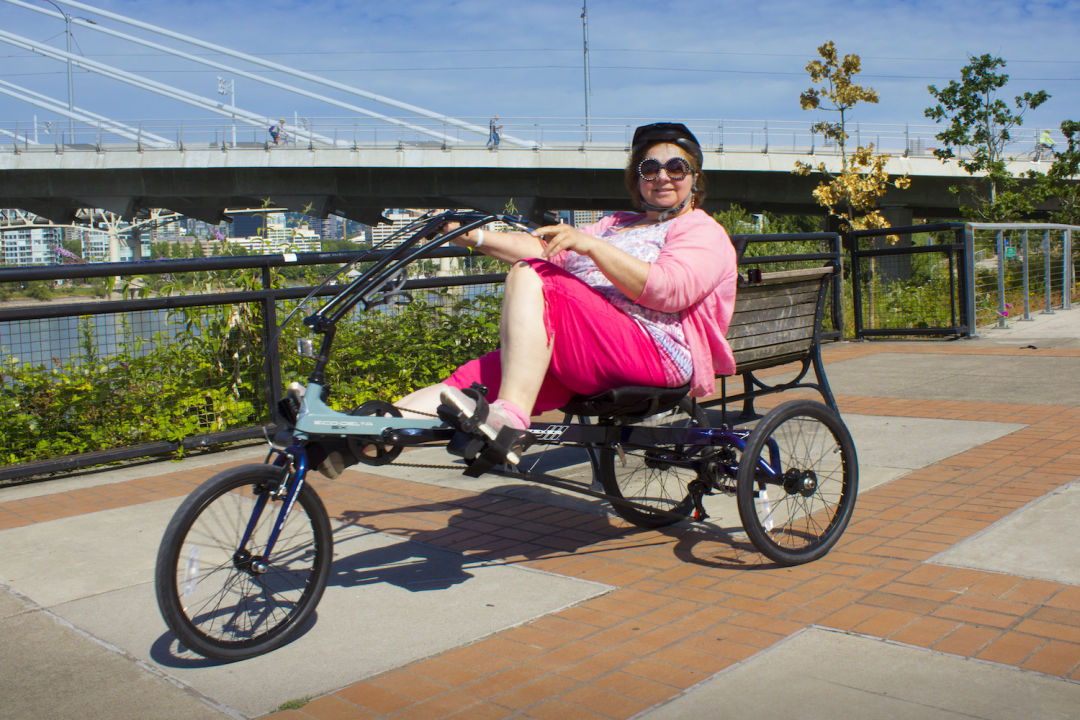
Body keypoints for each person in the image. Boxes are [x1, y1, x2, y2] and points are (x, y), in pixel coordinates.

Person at [379, 122, 738, 471]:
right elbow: (542, 246)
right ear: (637, 178)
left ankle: (510, 420)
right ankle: (365, 435)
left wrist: (593, 248)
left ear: (694, 177)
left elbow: (669, 290)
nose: (662, 176)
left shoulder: (701, 230)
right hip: (582, 347)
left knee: (533, 274)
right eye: (650, 167)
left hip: (653, 353)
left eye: (676, 167)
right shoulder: (615, 223)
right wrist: (470, 237)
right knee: (463, 387)